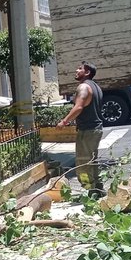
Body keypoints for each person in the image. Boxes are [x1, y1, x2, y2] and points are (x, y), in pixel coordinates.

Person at [57, 61, 104, 195]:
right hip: (95, 129)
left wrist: (64, 122)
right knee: (92, 161)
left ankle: (91, 192)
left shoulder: (83, 87)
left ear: (87, 72)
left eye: (79, 69)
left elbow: (78, 107)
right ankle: (98, 189)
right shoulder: (96, 87)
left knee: (83, 164)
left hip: (87, 131)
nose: (76, 71)